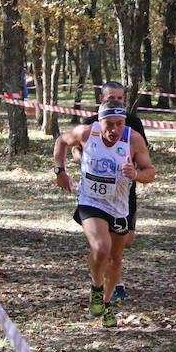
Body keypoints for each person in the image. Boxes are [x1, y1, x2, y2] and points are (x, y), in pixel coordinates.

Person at [53, 99, 155, 328]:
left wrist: (136, 174)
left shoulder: (133, 139)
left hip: (119, 206)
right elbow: (61, 142)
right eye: (109, 124)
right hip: (91, 201)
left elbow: (150, 172)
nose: (114, 130)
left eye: (119, 124)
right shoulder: (87, 132)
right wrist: (60, 171)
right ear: (100, 122)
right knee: (101, 248)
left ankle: (107, 303)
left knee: (115, 259)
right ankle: (96, 288)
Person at [75, 81, 148, 305]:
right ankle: (113, 287)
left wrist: (134, 172)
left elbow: (143, 157)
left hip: (125, 193)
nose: (116, 102)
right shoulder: (91, 124)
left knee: (126, 243)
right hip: (95, 195)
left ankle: (110, 278)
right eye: (112, 98)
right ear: (102, 99)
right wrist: (84, 163)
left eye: (120, 99)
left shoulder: (133, 124)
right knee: (103, 246)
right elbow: (75, 149)